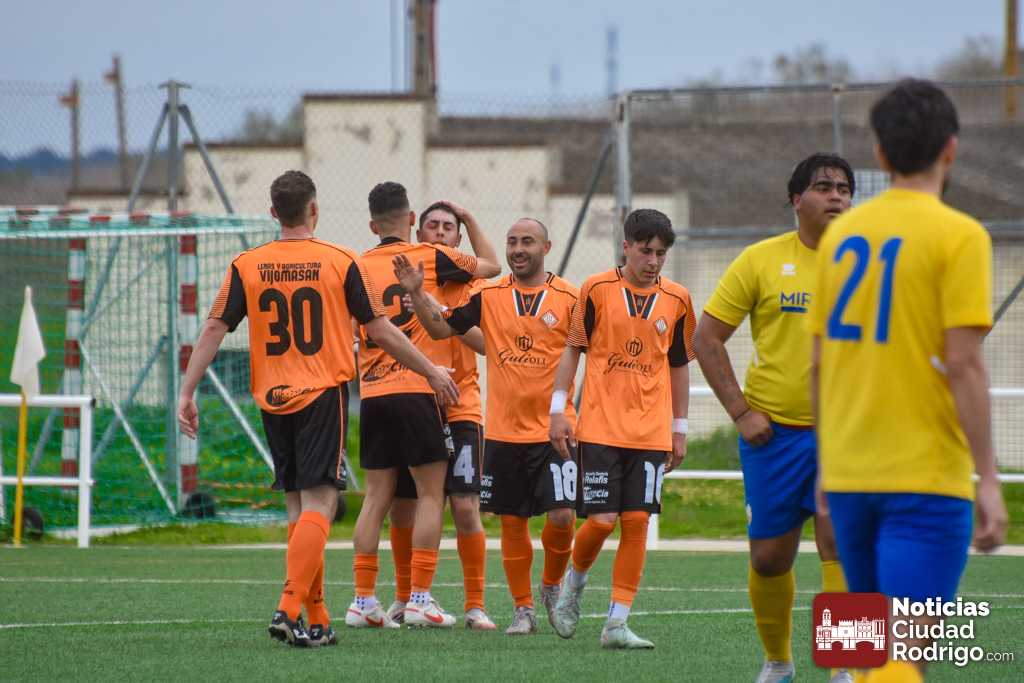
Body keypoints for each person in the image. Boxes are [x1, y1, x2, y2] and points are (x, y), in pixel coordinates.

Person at [176, 170, 458, 647]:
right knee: (322, 503)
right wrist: (431, 370)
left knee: (297, 507)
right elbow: (382, 330)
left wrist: (186, 392)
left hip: (272, 397)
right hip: (321, 393)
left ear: (273, 213)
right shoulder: (339, 260)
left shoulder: (248, 263)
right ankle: (289, 606)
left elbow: (213, 329)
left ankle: (320, 617)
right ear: (314, 210)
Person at [808, 79, 1008, 682]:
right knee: (904, 656)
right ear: (951, 149)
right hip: (924, 478)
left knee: (861, 651)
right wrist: (990, 479)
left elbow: (819, 364)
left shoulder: (841, 235)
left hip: (847, 474)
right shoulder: (961, 235)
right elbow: (966, 365)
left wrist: (823, 462)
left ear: (879, 155)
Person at [694, 153, 854, 683]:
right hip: (774, 438)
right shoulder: (760, 260)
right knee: (768, 559)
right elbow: (706, 338)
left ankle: (846, 666)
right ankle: (779, 662)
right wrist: (739, 411)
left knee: (842, 542)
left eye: (844, 188)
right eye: (823, 186)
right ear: (796, 200)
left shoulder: (869, 262)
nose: (836, 196)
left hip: (849, 434)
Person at [395, 217, 580, 635]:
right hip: (503, 431)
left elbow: (593, 352)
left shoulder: (571, 297)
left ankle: (552, 586)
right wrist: (417, 292)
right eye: (512, 241)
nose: (517, 249)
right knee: (512, 521)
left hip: (556, 430)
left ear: (546, 248)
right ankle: (523, 609)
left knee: (564, 516)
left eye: (527, 242)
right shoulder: (490, 295)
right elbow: (441, 326)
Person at [347, 182, 501, 629]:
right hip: (418, 395)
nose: (437, 232)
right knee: (404, 502)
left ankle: (473, 603)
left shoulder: (458, 281)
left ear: (457, 239)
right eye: (431, 224)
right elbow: (492, 265)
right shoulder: (421, 264)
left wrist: (440, 313)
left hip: (455, 401)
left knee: (465, 505)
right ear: (415, 224)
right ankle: (408, 597)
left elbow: (484, 341)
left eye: (447, 227)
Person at [548, 208, 695, 649]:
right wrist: (560, 410)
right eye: (646, 251)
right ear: (626, 246)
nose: (653, 261)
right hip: (600, 427)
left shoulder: (679, 299)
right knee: (601, 522)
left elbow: (679, 366)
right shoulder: (595, 289)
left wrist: (679, 428)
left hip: (650, 432)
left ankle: (617, 622)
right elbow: (573, 351)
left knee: (636, 521)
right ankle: (573, 586)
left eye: (661, 253)